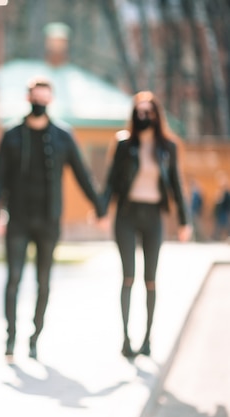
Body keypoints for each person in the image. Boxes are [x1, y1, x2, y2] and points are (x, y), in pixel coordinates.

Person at [0, 76, 103, 360]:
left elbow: (82, 174)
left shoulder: (63, 136)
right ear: (28, 99)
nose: (40, 102)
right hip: (18, 219)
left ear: (50, 100)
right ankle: (10, 338)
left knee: (44, 280)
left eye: (44, 98)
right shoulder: (12, 134)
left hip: (49, 220)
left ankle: (35, 337)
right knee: (13, 278)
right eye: (35, 98)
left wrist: (99, 207)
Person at [100, 91, 191, 358]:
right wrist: (102, 210)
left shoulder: (167, 147)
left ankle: (148, 338)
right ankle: (126, 338)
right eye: (138, 112)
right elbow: (111, 181)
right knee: (128, 277)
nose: (143, 116)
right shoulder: (123, 144)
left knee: (150, 279)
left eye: (148, 112)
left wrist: (184, 222)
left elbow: (176, 185)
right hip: (127, 214)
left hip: (153, 215)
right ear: (133, 114)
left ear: (156, 114)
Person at [212, 171, 230, 241]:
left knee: (225, 225)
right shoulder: (221, 192)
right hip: (221, 212)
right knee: (220, 226)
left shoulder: (226, 193)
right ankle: (217, 237)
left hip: (225, 212)